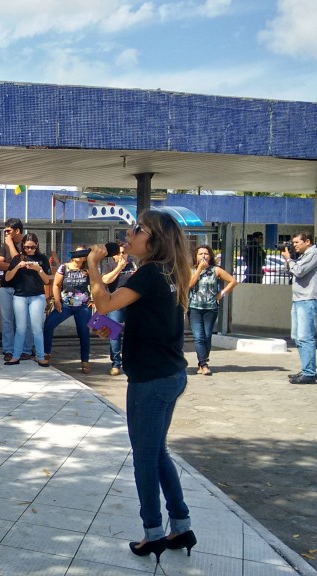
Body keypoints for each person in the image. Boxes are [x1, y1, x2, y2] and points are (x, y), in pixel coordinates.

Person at [87, 212, 195, 562]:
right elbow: (153, 325)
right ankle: (181, 525)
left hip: (151, 379)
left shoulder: (149, 273)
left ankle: (153, 534)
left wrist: (92, 264)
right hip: (169, 373)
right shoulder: (167, 273)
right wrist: (113, 331)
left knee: (145, 458)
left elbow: (103, 303)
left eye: (137, 229)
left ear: (155, 240)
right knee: (157, 452)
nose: (128, 233)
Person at [283, 231, 317, 384]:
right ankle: (307, 369)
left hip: (309, 299)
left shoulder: (315, 253)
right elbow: (291, 271)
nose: (294, 245)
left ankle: (309, 373)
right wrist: (289, 261)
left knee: (305, 337)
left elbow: (299, 271)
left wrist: (289, 259)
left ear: (307, 241)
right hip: (298, 300)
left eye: (296, 242)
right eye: (293, 243)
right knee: (297, 337)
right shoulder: (302, 256)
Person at [188, 245, 237, 376]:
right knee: (198, 337)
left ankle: (202, 363)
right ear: (196, 256)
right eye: (200, 254)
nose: (203, 256)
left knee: (207, 336)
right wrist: (199, 269)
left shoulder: (216, 270)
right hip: (194, 308)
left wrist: (221, 294)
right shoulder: (191, 270)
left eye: (206, 253)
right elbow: (189, 284)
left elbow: (233, 281)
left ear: (210, 256)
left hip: (211, 308)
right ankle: (203, 364)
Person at [44, 246, 93, 373]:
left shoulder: (88, 269)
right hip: (65, 305)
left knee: (84, 333)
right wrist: (57, 301)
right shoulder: (64, 267)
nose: (81, 256)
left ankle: (85, 361)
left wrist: (93, 299)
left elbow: (96, 285)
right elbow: (56, 285)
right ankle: (46, 353)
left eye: (83, 254)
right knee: (49, 324)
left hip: (83, 306)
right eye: (78, 253)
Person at [4, 233, 51, 366]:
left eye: (32, 247)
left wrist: (39, 269)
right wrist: (18, 266)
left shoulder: (42, 258)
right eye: (26, 247)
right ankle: (16, 356)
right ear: (22, 246)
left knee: (36, 328)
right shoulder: (17, 258)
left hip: (37, 296)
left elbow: (47, 280)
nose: (29, 250)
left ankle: (40, 356)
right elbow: (7, 278)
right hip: (20, 296)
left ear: (37, 246)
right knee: (21, 328)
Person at [0, 219, 33, 361]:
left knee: (24, 321)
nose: (6, 234)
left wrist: (11, 247)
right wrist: (16, 265)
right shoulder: (5, 246)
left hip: (23, 288)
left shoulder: (27, 243)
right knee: (7, 320)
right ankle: (8, 350)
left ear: (17, 231)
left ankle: (26, 349)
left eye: (8, 231)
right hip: (6, 286)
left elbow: (22, 261)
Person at [99, 244, 137, 375]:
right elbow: (106, 280)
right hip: (115, 304)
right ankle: (116, 363)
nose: (122, 255)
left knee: (132, 333)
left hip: (132, 303)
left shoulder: (133, 265)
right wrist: (119, 268)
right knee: (114, 333)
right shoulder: (108, 266)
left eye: (124, 253)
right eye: (119, 253)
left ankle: (130, 361)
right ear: (114, 255)